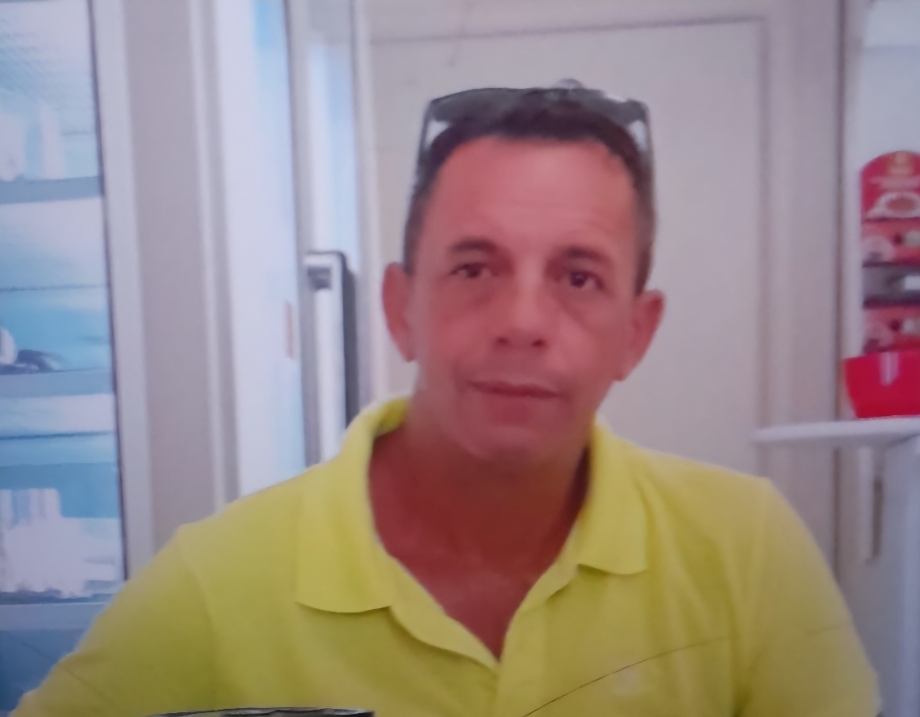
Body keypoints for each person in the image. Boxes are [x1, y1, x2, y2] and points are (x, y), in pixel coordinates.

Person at [14, 82, 879, 717]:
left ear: (636, 332)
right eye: (474, 268)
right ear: (401, 309)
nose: (523, 321)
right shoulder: (216, 582)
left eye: (579, 276)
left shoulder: (747, 554)